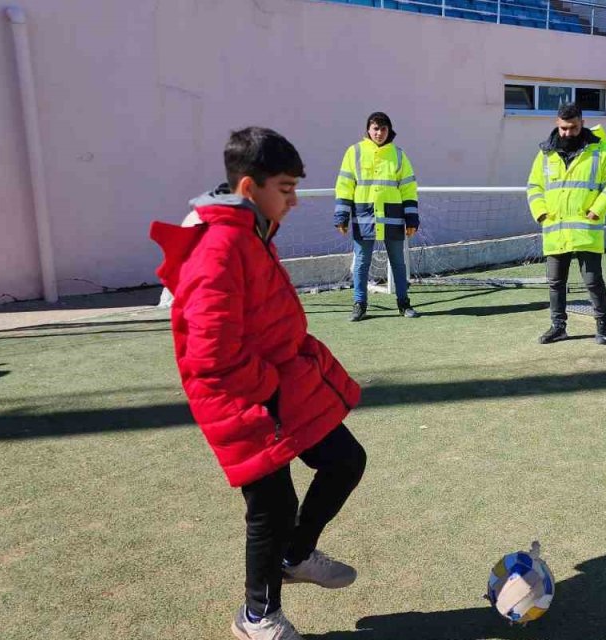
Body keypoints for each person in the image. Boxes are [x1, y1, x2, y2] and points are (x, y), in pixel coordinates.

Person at [151, 127, 367, 639]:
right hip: (243, 399)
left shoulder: (251, 229)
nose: (293, 200)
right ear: (249, 187)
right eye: (286, 188)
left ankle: (295, 555)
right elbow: (210, 354)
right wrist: (268, 385)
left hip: (280, 385)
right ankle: (257, 617)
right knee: (272, 506)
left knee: (344, 460)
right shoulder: (219, 245)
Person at [527, 103, 606, 345]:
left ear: (582, 122)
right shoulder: (545, 153)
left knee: (592, 281)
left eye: (572, 128)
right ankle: (558, 327)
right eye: (562, 128)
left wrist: (597, 210)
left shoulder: (601, 151)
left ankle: (603, 326)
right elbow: (534, 187)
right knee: (555, 282)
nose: (567, 133)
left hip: (586, 229)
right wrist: (541, 213)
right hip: (555, 228)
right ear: (556, 124)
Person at [334, 112, 420, 321]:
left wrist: (411, 219)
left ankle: (404, 304)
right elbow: (345, 185)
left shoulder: (399, 154)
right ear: (368, 130)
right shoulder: (354, 152)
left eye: (383, 129)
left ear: (389, 130)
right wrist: (341, 216)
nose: (379, 133)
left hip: (392, 217)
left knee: (398, 263)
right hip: (364, 217)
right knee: (362, 262)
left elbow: (408, 188)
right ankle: (360, 305)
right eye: (375, 128)